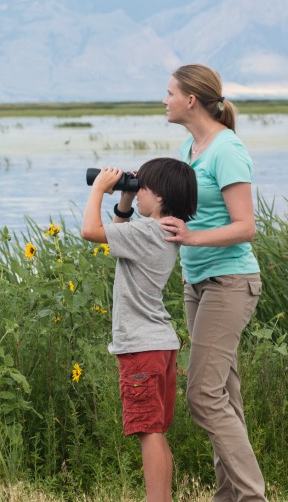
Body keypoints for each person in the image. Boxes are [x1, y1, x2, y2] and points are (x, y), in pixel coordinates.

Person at [158, 64, 267, 502]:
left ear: (190, 100)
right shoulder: (190, 147)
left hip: (230, 281)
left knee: (203, 395)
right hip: (198, 282)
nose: (162, 100)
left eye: (168, 93)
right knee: (225, 396)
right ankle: (230, 496)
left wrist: (193, 237)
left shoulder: (226, 149)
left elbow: (246, 226)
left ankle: (253, 496)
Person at [81, 159, 198, 502]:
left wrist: (98, 189)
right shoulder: (164, 229)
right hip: (159, 344)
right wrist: (125, 201)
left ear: (159, 197)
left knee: (149, 433)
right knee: (156, 432)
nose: (137, 190)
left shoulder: (148, 231)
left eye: (141, 187)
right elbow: (119, 234)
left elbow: (91, 232)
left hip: (142, 346)